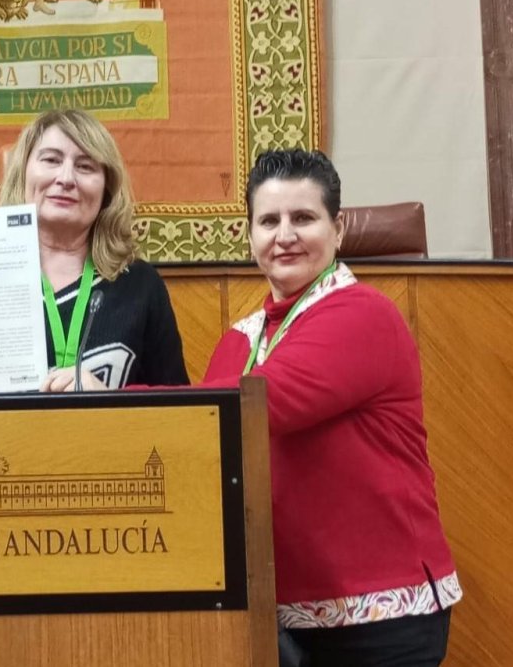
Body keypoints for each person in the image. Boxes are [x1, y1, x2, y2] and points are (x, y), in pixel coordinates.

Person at [46, 149, 460, 666]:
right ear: (250, 237)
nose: (284, 235)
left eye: (303, 218)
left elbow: (253, 406)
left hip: (379, 619)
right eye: (268, 221)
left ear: (339, 229)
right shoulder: (238, 339)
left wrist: (110, 396)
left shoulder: (362, 314)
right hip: (280, 615)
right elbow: (206, 450)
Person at [0, 108, 189, 395]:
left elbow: (182, 419)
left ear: (106, 189)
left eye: (85, 166)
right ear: (23, 174)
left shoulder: (140, 285)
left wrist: (109, 402)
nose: (66, 179)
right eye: (51, 160)